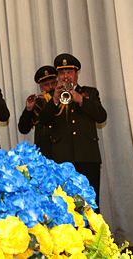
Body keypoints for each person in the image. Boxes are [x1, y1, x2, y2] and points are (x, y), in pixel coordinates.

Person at [40, 53, 107, 203]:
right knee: (64, 203)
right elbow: (43, 121)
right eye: (62, 73)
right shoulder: (51, 96)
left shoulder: (90, 93)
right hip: (62, 159)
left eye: (69, 72)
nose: (65, 76)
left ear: (76, 74)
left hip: (87, 157)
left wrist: (81, 100)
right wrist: (55, 99)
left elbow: (101, 117)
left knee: (90, 203)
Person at [18, 65, 57, 157]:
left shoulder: (64, 99)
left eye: (53, 83)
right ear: (41, 87)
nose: (51, 87)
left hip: (62, 149)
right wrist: (28, 109)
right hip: (44, 151)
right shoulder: (37, 103)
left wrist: (50, 99)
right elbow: (23, 129)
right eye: (46, 85)